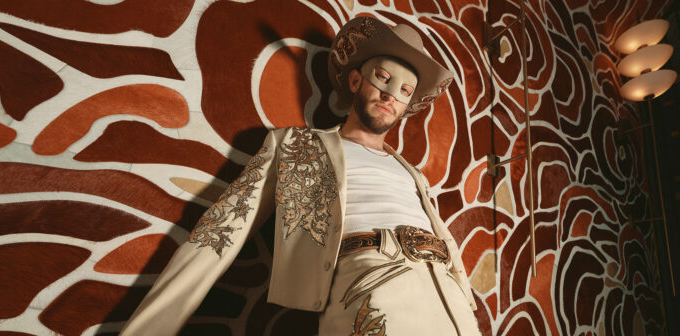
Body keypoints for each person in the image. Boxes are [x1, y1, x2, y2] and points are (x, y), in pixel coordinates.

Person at [121, 16, 481, 335]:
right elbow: (219, 236)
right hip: (370, 282)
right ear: (355, 80)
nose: (390, 95)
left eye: (404, 91)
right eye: (383, 78)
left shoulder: (412, 172)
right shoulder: (296, 146)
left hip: (448, 297)